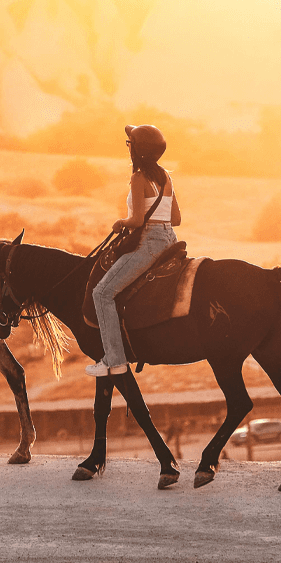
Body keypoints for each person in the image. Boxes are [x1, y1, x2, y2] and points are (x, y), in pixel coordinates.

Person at [86, 124, 181, 377]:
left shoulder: (138, 178)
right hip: (169, 239)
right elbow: (177, 218)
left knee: (102, 293)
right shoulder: (166, 178)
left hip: (149, 243)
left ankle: (114, 360)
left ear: (137, 150)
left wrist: (121, 223)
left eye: (130, 144)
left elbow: (138, 221)